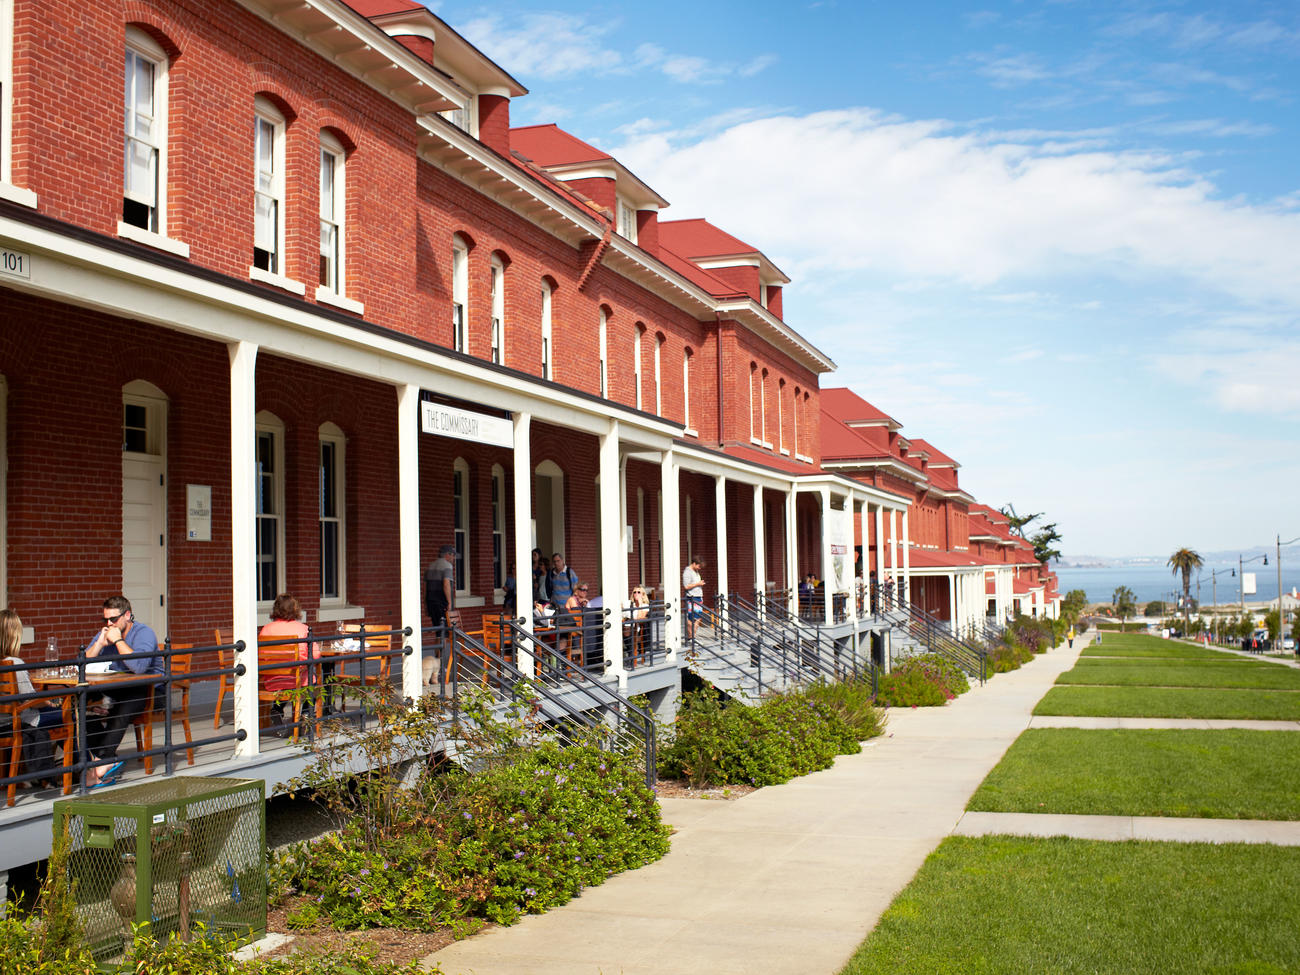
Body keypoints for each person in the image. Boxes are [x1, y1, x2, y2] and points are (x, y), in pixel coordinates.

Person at [83, 595, 161, 787]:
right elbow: (83, 664)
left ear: (127, 615)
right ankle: (103, 759)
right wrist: (99, 644)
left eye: (114, 619)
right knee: (82, 702)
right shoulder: (107, 632)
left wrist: (118, 641)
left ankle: (102, 760)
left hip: (152, 691)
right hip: (118, 688)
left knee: (126, 702)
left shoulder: (144, 633)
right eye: (105, 620)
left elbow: (139, 667)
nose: (109, 624)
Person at [1, 609, 63, 788]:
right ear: (14, 636)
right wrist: (50, 702)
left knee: (59, 712)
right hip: (20, 719)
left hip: (4, 719)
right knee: (71, 715)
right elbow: (30, 699)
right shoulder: (14, 663)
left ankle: (56, 770)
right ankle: (84, 768)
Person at [258, 594, 317, 735]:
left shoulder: (265, 629)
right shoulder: (302, 628)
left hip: (272, 680)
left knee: (284, 682)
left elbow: (260, 654)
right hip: (296, 680)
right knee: (312, 680)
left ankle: (277, 709)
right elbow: (315, 654)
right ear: (295, 609)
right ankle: (305, 715)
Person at [425, 544, 457, 629]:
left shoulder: (431, 565)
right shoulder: (447, 565)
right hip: (442, 602)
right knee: (445, 630)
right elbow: (446, 584)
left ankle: (439, 642)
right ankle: (443, 643)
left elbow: (425, 586)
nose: (454, 559)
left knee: (437, 629)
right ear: (447, 554)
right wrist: (449, 602)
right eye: (453, 555)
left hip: (430, 601)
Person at [683, 556, 704, 639]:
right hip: (691, 597)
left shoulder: (696, 571)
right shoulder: (688, 572)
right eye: (699, 566)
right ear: (694, 563)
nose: (700, 568)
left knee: (698, 617)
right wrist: (698, 584)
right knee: (691, 618)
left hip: (698, 597)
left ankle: (694, 636)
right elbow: (686, 586)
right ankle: (691, 637)